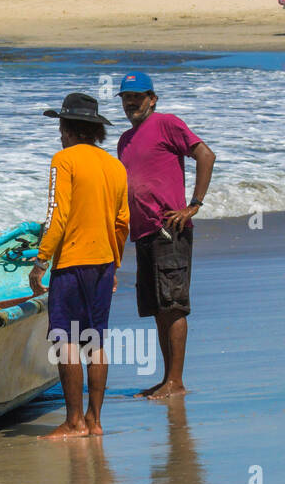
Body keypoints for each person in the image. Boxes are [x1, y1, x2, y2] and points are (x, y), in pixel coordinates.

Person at [28, 93, 130, 440]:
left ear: (68, 129)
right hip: (103, 264)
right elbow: (122, 223)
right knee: (96, 341)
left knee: (66, 341)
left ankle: (73, 423)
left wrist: (41, 260)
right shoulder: (115, 166)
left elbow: (58, 215)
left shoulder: (64, 160)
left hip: (71, 263)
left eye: (60, 126)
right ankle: (95, 421)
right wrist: (114, 265)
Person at [116, 72, 215, 400]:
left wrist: (193, 206)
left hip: (169, 229)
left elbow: (206, 154)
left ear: (152, 99)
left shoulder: (167, 123)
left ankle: (176, 381)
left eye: (138, 96)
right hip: (142, 233)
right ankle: (167, 379)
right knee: (159, 307)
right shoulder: (124, 141)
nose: (131, 102)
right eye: (126, 97)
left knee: (173, 306)